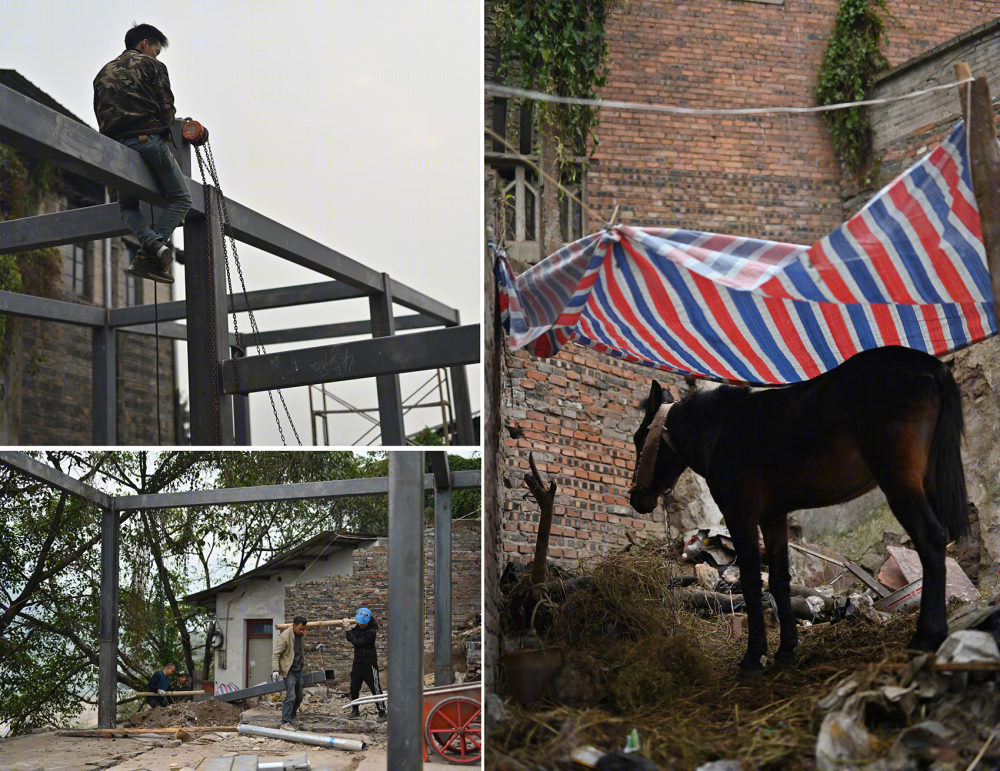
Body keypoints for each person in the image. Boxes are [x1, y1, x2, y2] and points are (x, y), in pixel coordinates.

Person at [93, 23, 192, 284]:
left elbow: (101, 118)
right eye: (156, 51)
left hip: (116, 150)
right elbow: (167, 110)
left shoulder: (102, 74)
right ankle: (151, 251)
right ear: (145, 44)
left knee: (126, 206)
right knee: (182, 199)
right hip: (148, 141)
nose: (156, 56)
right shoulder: (152, 66)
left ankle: (153, 246)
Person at [271, 616, 327, 729]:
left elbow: (303, 647)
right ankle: (285, 722)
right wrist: (275, 670)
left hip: (298, 670)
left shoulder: (300, 635)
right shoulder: (285, 636)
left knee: (299, 697)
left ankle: (291, 718)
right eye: (300, 629)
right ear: (293, 625)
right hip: (289, 671)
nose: (302, 631)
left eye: (303, 629)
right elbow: (276, 654)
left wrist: (315, 648)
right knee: (291, 696)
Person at [344, 607, 386, 722]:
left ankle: (382, 712)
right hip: (357, 663)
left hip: (369, 664)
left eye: (363, 624)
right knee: (354, 687)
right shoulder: (358, 626)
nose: (361, 625)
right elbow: (350, 639)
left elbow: (357, 642)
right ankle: (355, 710)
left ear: (368, 621)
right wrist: (349, 630)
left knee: (375, 688)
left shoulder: (371, 632)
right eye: (359, 623)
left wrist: (349, 630)